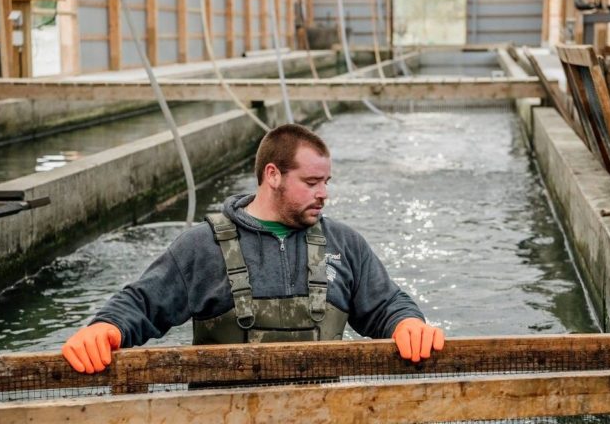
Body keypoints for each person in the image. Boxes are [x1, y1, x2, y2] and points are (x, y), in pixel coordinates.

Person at [62, 123, 444, 374]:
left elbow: (385, 304)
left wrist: (408, 322)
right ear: (272, 175)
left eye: (326, 181)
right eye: (311, 182)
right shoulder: (203, 246)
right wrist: (104, 327)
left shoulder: (344, 244)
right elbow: (141, 304)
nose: (324, 193)